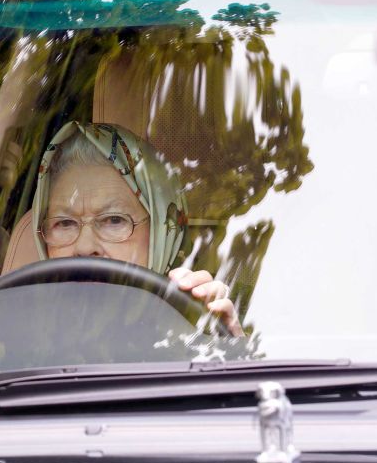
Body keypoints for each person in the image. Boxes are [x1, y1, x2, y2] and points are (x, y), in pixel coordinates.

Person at [32, 120, 242, 336]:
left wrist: (231, 352)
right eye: (64, 223)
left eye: (114, 220)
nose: (84, 248)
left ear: (161, 234)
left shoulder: (229, 316)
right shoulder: (15, 328)